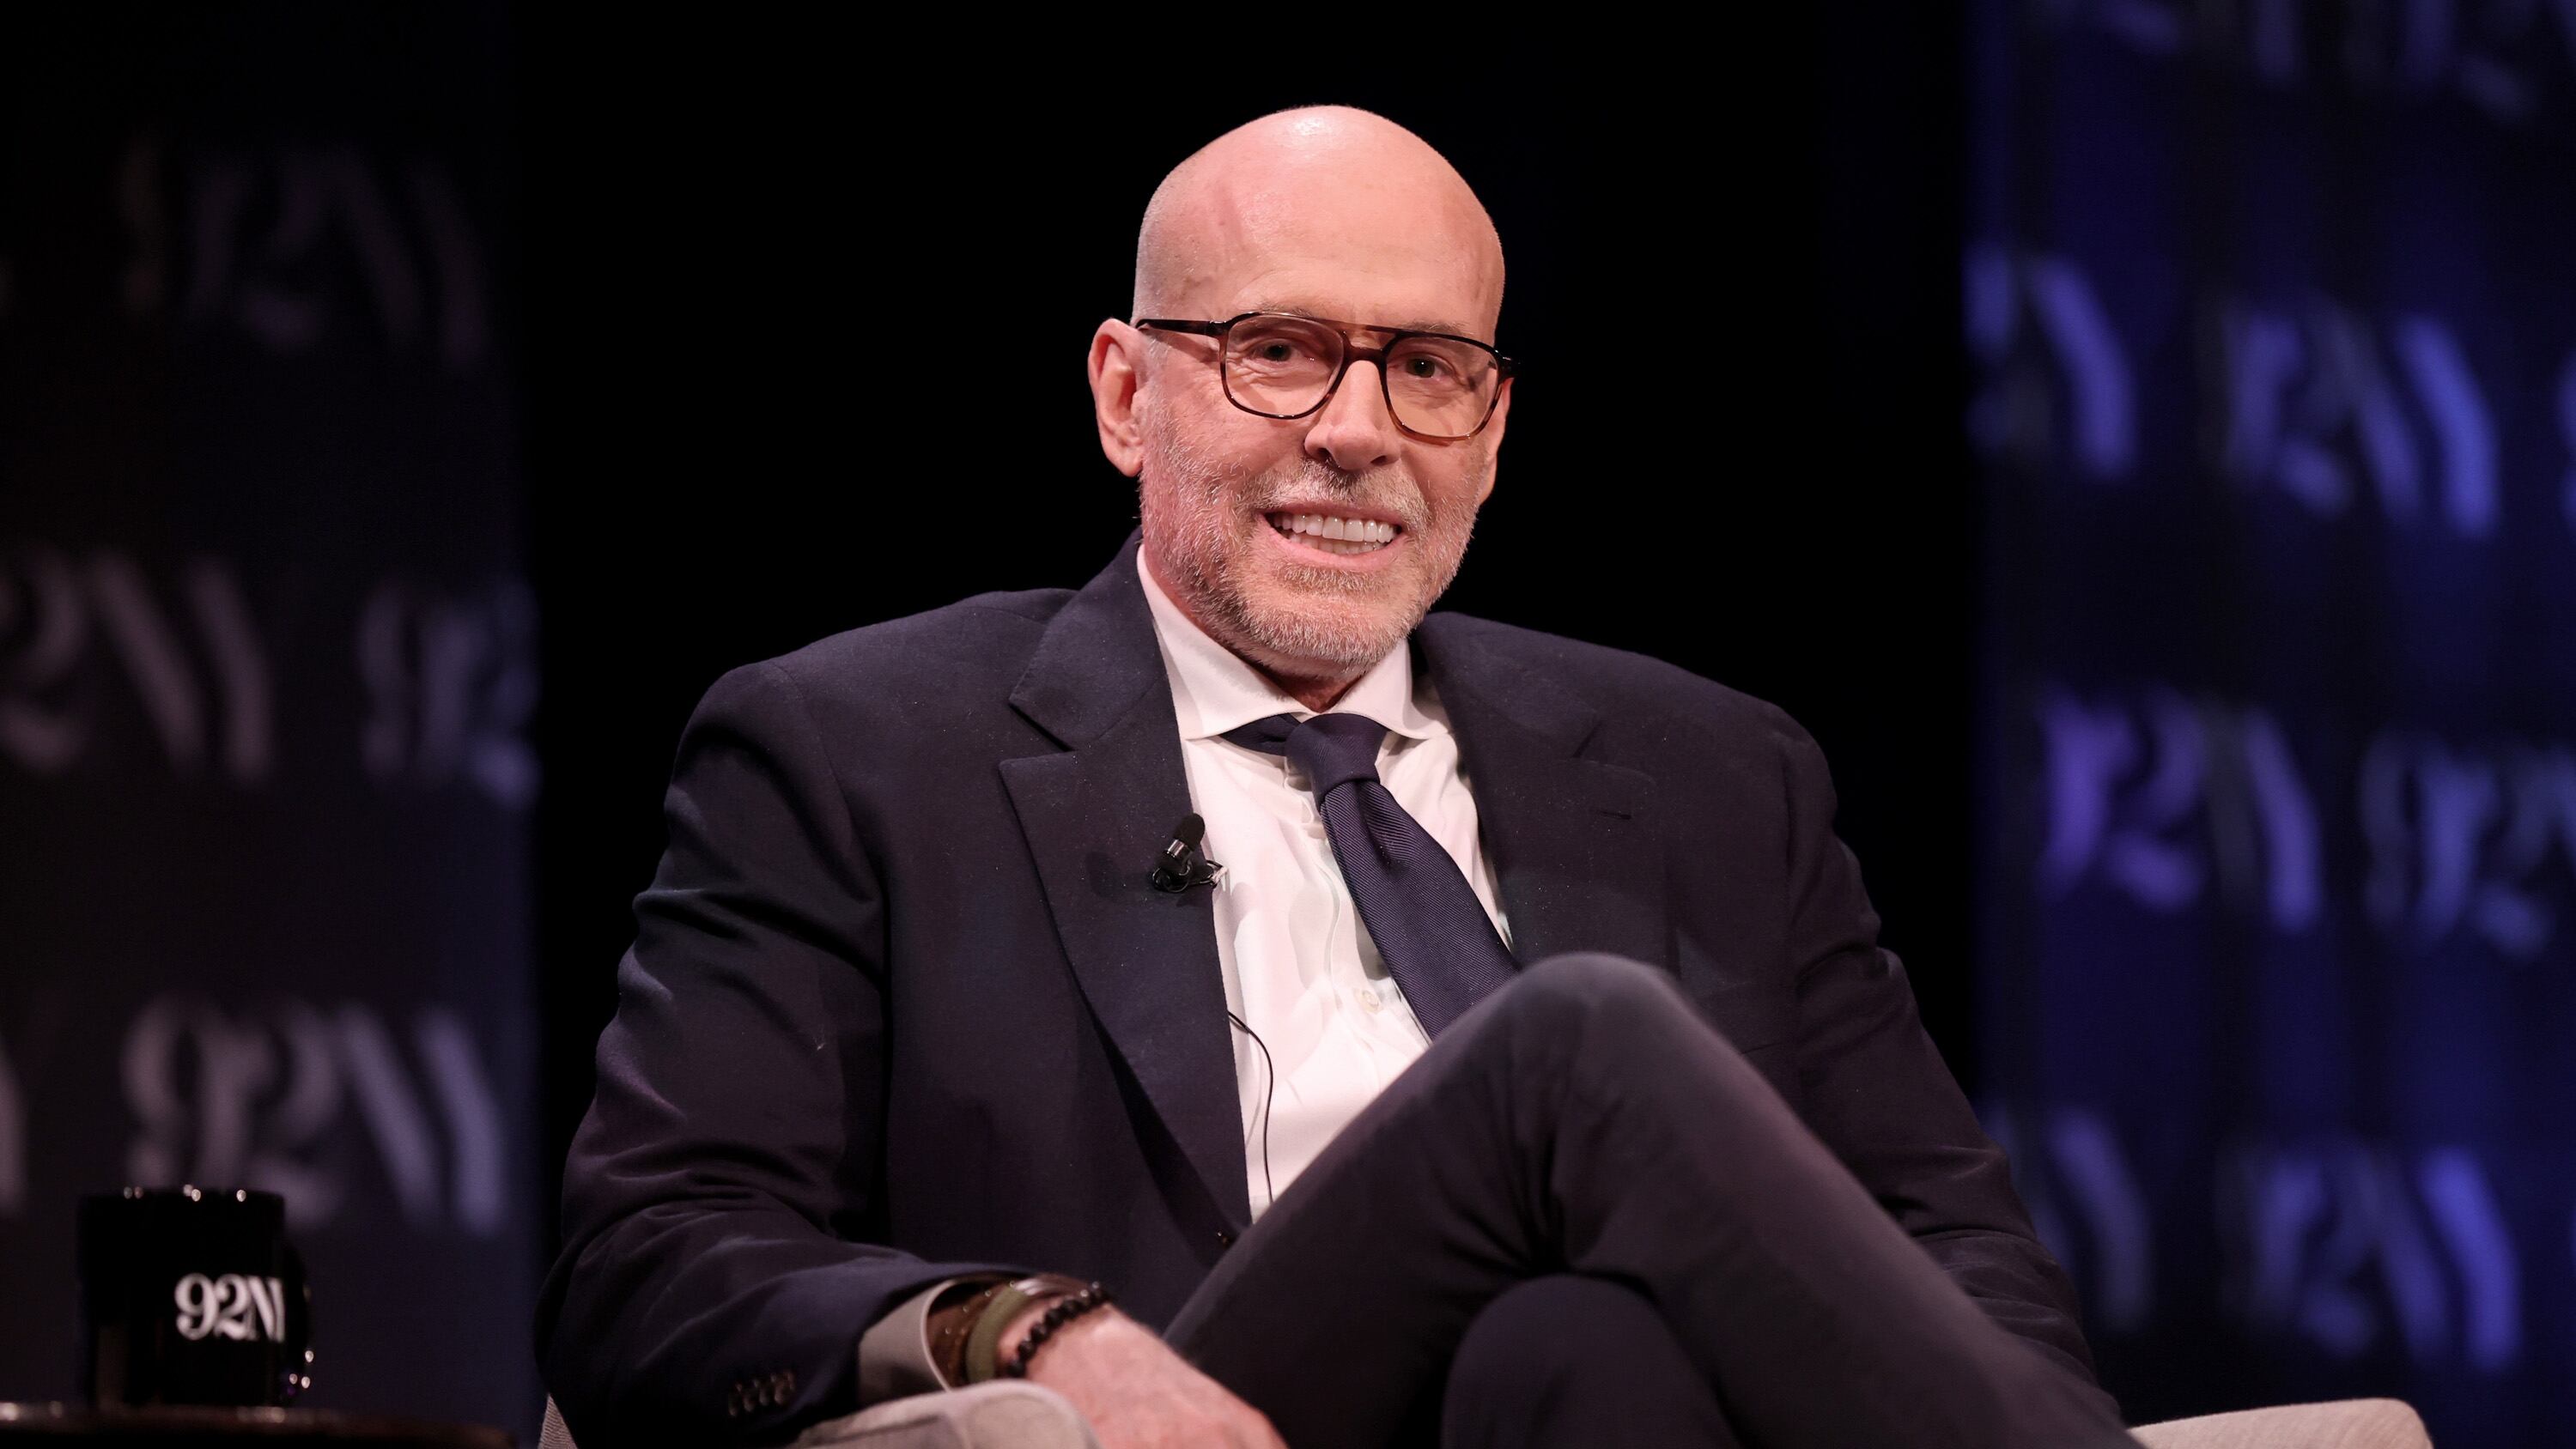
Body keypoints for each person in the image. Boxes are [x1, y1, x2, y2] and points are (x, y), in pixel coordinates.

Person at [538, 107, 2138, 1449]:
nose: (1359, 432)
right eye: (1280, 351)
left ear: (1495, 429)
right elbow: (650, 1264)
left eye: (1429, 368)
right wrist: (1026, 1333)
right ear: (1122, 396)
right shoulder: (856, 752)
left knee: (1583, 1356)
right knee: (1571, 1046)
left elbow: (1961, 1271)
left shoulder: (1719, 777)